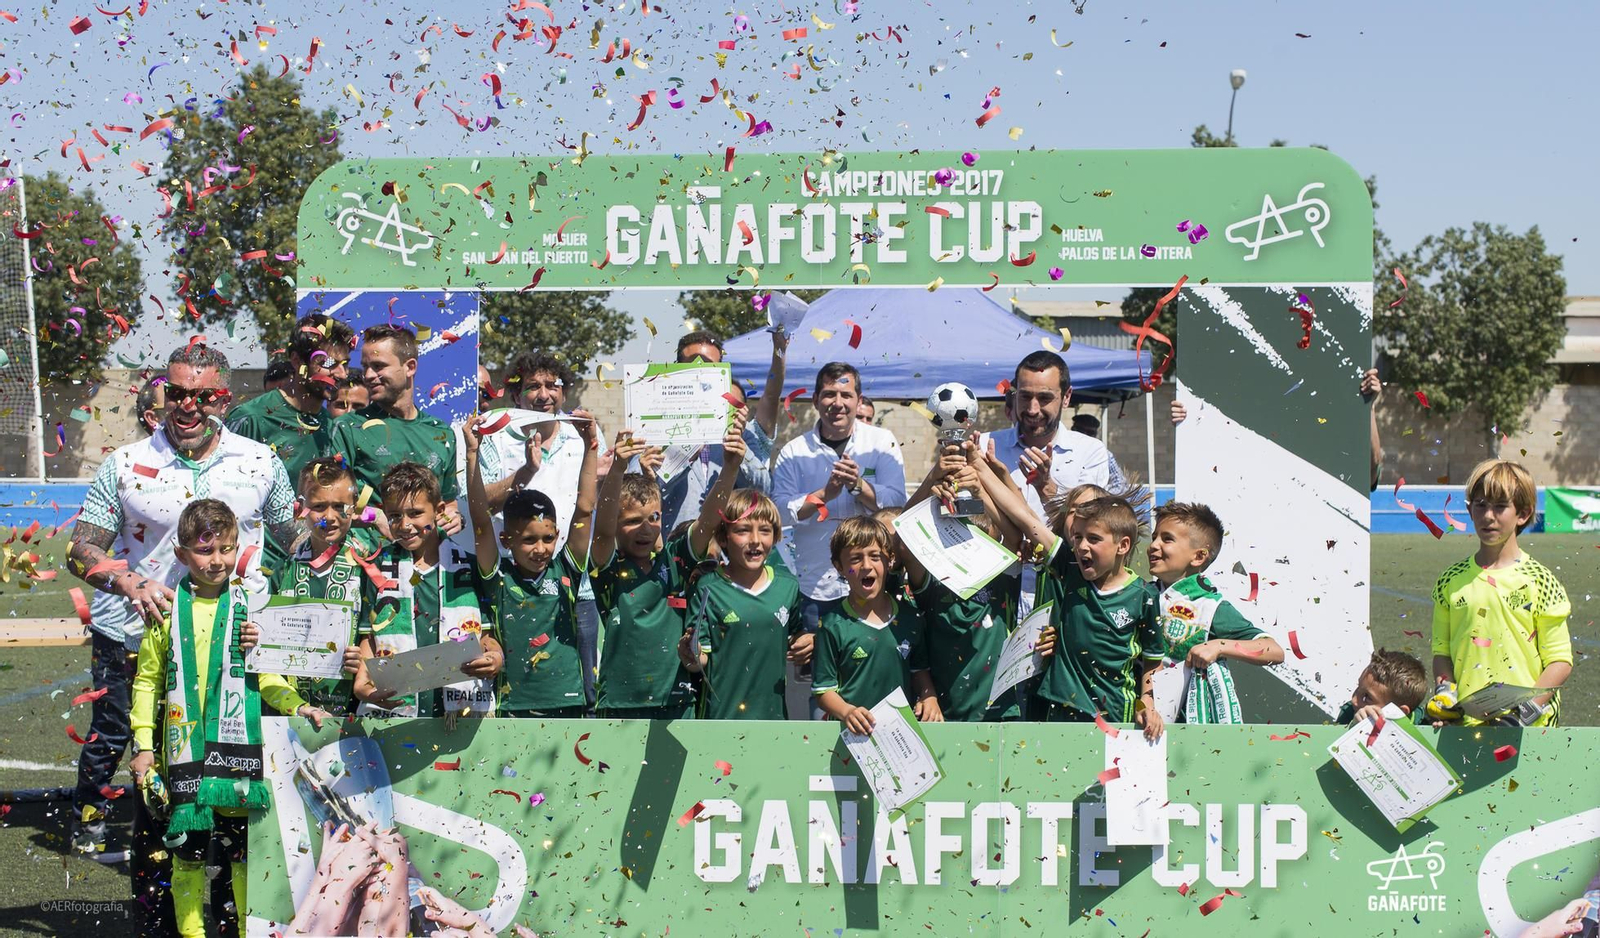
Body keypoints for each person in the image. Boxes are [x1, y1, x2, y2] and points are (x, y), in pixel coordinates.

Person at [128, 500, 268, 938]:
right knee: (186, 861)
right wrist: (144, 747)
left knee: (242, 860)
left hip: (237, 762)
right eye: (206, 550)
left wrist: (299, 704)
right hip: (183, 760)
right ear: (181, 553)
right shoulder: (165, 613)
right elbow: (147, 682)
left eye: (227, 548)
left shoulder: (251, 609)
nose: (218, 560)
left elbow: (271, 675)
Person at [971, 452, 1161, 734]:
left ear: (1122, 546)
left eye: (1093, 539)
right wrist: (977, 465)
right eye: (1078, 537)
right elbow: (1025, 518)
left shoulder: (1144, 596)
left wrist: (1148, 703)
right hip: (1058, 711)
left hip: (1114, 716)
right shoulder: (1069, 569)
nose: (1082, 546)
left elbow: (1152, 659)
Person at [587, 414, 745, 720]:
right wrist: (619, 467)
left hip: (676, 703)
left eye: (654, 518)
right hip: (620, 704)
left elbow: (710, 519)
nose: (646, 529)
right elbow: (603, 530)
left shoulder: (676, 560)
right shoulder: (606, 568)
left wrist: (730, 468)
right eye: (632, 521)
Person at [71, 377, 161, 858]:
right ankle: (89, 820)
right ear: (152, 416)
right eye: (181, 401)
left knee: (172, 728)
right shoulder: (126, 467)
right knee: (112, 730)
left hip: (180, 628)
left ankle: (168, 821)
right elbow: (83, 547)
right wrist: (128, 586)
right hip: (121, 627)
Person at [489, 350, 607, 711]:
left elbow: (590, 504)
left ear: (564, 392)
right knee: (515, 695)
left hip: (576, 583)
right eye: (532, 387)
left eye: (552, 385)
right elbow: (485, 504)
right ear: (515, 395)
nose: (544, 395)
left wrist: (615, 469)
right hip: (512, 586)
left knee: (585, 693)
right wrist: (525, 470)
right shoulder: (496, 436)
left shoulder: (584, 433)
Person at [465, 408, 599, 718]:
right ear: (506, 541)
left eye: (548, 538)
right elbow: (480, 519)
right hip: (514, 709)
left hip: (568, 705)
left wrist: (590, 444)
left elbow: (585, 509)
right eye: (529, 540)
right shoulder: (498, 577)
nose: (540, 549)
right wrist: (473, 454)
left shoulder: (566, 569)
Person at [1427, 459, 1573, 728]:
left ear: (1523, 514)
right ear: (1470, 510)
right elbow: (1442, 653)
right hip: (1465, 726)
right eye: (1481, 505)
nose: (1488, 516)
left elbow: (1560, 661)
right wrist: (1445, 695)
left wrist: (1526, 712)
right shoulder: (1450, 580)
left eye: (1500, 506)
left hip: (1528, 728)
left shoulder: (1541, 581)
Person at [356, 462, 503, 718]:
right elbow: (370, 636)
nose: (404, 524)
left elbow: (485, 634)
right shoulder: (376, 567)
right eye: (394, 516)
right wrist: (362, 684)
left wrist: (496, 656)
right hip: (396, 709)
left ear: (439, 510)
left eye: (415, 513)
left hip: (461, 709)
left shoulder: (467, 565)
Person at [772, 361, 907, 631]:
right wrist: (824, 494)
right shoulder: (793, 451)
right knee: (814, 666)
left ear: (859, 402)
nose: (838, 403)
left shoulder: (881, 442)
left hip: (873, 581)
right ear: (815, 400)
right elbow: (779, 512)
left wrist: (858, 486)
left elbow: (897, 503)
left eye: (846, 395)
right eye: (829, 394)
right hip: (815, 585)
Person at [896, 442, 1025, 722]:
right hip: (944, 713)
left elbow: (1015, 537)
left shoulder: (1002, 578)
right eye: (960, 535)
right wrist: (933, 480)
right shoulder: (933, 583)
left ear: (994, 540)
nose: (970, 544)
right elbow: (903, 539)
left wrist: (980, 490)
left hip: (1000, 715)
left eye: (982, 537)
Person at [246, 457, 375, 719]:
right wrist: (252, 637)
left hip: (355, 715)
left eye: (340, 506)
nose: (329, 517)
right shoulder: (281, 570)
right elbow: (263, 649)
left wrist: (364, 663)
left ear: (355, 507)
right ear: (300, 508)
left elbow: (383, 639)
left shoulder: (371, 566)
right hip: (289, 715)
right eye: (319, 507)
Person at [1143, 502, 1284, 732]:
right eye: (1154, 537)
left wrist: (1218, 646)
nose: (1153, 546)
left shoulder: (1210, 606)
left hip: (1186, 731)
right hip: (1137, 721)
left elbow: (1273, 650)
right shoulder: (1140, 593)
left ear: (1198, 557)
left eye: (1167, 539)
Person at [680, 488, 810, 720]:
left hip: (774, 720)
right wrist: (692, 655)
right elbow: (700, 659)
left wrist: (807, 641)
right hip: (720, 719)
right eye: (742, 531)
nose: (755, 541)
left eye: (765, 531)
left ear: (777, 536)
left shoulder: (787, 586)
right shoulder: (708, 588)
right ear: (723, 538)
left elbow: (793, 636)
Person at [328, 324, 463, 536]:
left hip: (426, 562)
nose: (369, 375)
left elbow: (448, 501)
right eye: (365, 367)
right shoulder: (348, 428)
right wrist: (374, 516)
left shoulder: (441, 433)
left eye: (379, 366)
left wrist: (453, 517)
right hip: (369, 561)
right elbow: (329, 502)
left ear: (410, 367)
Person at [651, 328, 787, 533]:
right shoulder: (654, 429)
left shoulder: (743, 432)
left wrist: (741, 453)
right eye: (695, 365)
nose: (702, 373)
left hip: (728, 555)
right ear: (677, 370)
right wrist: (683, 454)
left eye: (711, 367)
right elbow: (640, 496)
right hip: (673, 552)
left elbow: (764, 490)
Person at [812, 517, 941, 731]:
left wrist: (930, 696)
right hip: (850, 738)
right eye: (855, 558)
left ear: (889, 560)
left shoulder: (911, 619)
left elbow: (919, 671)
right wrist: (847, 711)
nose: (866, 566)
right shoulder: (832, 624)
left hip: (900, 736)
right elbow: (823, 692)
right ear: (839, 567)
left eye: (875, 556)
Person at [978, 350, 1112, 527]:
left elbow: (1087, 526)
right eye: (1025, 396)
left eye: (1044, 398)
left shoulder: (1090, 452)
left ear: (1066, 397)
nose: (1033, 409)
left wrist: (1047, 489)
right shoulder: (983, 446)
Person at [225, 312, 356, 487]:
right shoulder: (252, 419)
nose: (342, 374)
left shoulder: (331, 428)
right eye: (328, 363)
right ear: (296, 361)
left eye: (345, 364)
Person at [1336, 649, 1429, 725]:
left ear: (1400, 711)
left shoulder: (1426, 724)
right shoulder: (1349, 713)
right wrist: (1354, 728)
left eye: (1367, 697)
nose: (1354, 701)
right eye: (1358, 687)